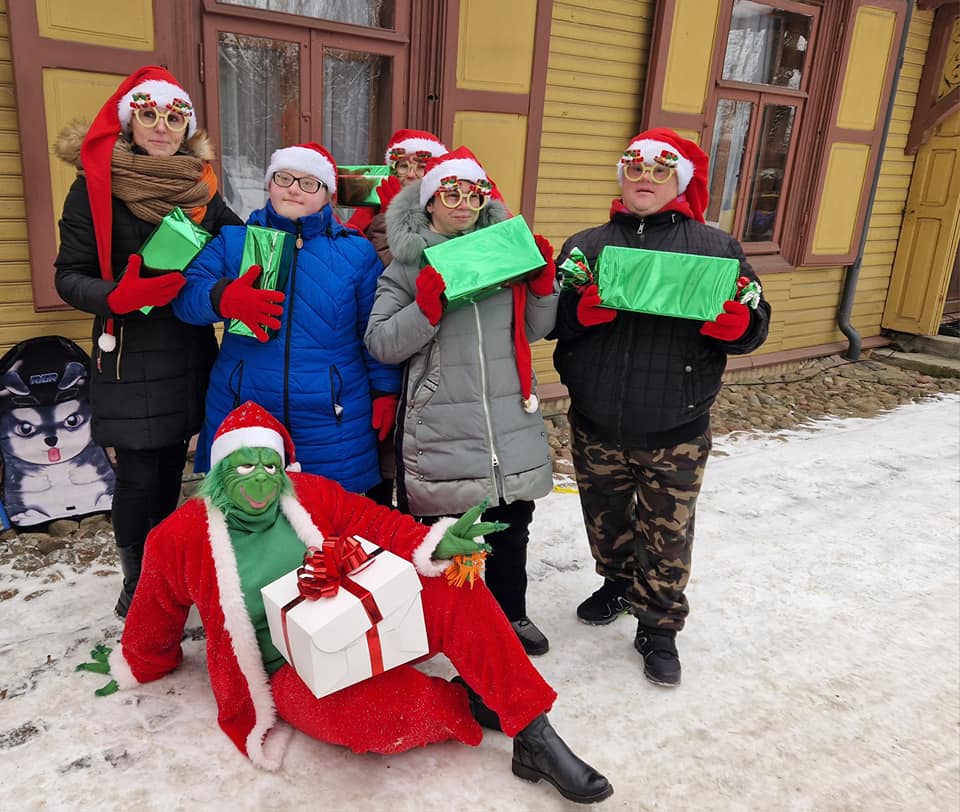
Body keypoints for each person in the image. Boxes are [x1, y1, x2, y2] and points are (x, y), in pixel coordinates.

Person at [78, 402, 613, 804]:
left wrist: (435, 543)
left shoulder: (308, 493)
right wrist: (134, 661)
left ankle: (534, 733)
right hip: (285, 669)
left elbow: (375, 522)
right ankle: (470, 703)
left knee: (456, 584)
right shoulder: (179, 536)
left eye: (269, 465)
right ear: (217, 474)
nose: (260, 477)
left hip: (356, 620)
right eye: (242, 467)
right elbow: (155, 613)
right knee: (374, 719)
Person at [552, 127, 771, 686]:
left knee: (666, 533)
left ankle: (659, 625)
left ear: (680, 180)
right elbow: (549, 320)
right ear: (622, 176)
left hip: (676, 422)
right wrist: (576, 315)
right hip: (597, 418)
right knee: (604, 518)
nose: (644, 179)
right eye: (635, 167)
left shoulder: (716, 249)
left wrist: (741, 327)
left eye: (659, 170)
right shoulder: (587, 246)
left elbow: (753, 316)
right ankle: (617, 583)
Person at [53, 65, 243, 617]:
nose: (162, 126)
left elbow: (240, 240)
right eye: (149, 114)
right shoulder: (94, 186)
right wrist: (116, 295)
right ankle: (138, 587)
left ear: (187, 128)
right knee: (139, 473)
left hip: (187, 344)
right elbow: (68, 275)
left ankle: (169, 571)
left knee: (172, 466)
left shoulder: (200, 188)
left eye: (174, 117)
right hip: (128, 349)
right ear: (129, 122)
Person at [364, 147, 558, 656]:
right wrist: (425, 308)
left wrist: (543, 286)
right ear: (429, 202)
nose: (464, 204)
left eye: (474, 194)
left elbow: (534, 329)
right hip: (442, 425)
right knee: (448, 538)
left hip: (507, 421)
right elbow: (381, 341)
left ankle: (511, 616)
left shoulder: (505, 255)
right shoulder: (408, 266)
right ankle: (453, 628)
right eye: (451, 194)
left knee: (511, 529)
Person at [173, 142, 401, 500]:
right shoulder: (234, 242)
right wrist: (222, 297)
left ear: (328, 195)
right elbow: (186, 297)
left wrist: (385, 391)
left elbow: (372, 330)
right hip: (245, 404)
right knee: (249, 516)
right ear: (269, 184)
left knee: (325, 520)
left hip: (332, 415)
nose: (294, 189)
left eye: (309, 183)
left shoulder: (355, 253)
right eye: (284, 178)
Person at [349, 129, 449, 507]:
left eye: (420, 165)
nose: (410, 174)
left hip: (427, 360)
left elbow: (417, 272)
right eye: (401, 165)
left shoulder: (447, 219)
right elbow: (374, 281)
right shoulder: (364, 219)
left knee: (413, 461)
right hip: (378, 353)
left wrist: (396, 220)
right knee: (378, 459)